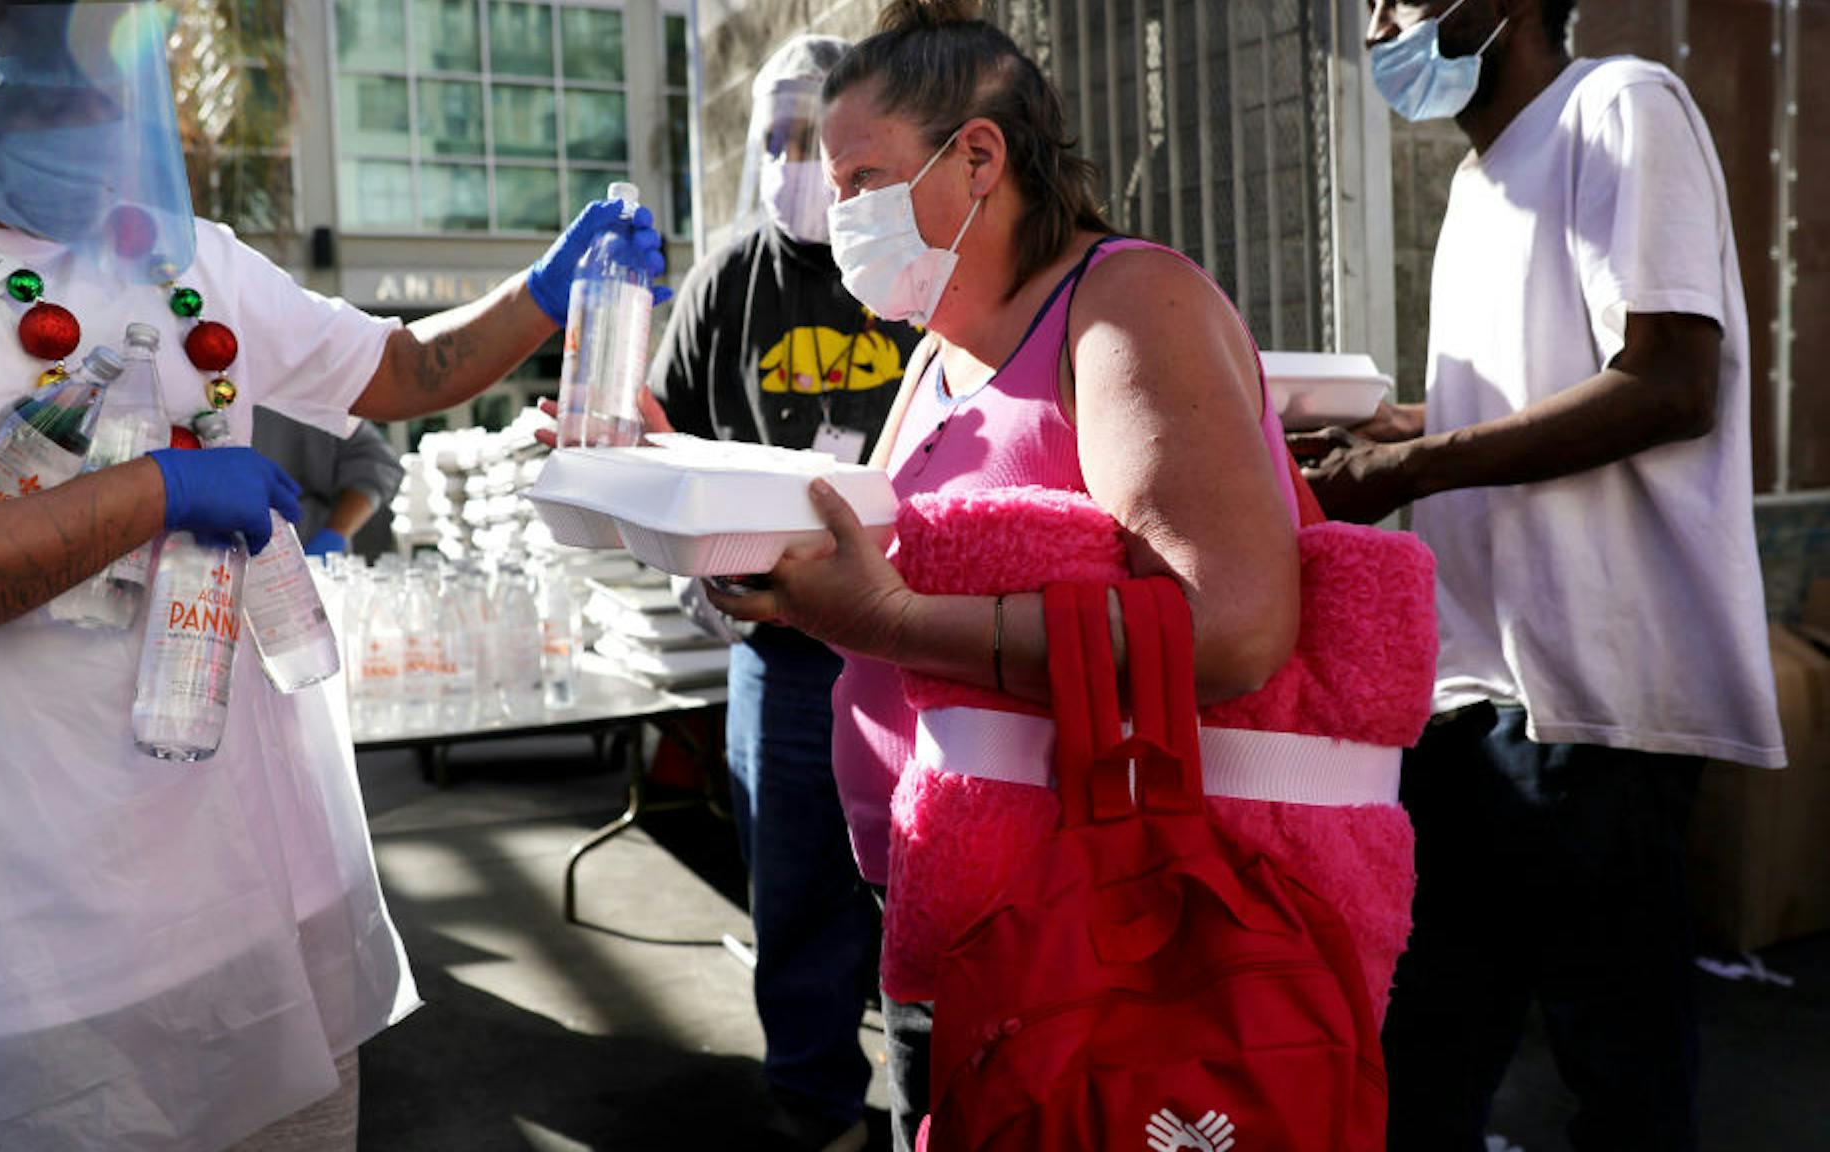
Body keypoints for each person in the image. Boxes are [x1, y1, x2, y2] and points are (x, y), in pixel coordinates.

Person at [0, 0, 665, 1147]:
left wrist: (545, 293)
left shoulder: (183, 251)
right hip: (61, 942)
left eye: (123, 80)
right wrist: (159, 491)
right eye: (73, 82)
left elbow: (396, 369)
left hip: (268, 889)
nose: (109, 117)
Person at [696, 2, 1303, 1145]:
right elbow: (887, 577)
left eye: (861, 177)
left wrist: (888, 618)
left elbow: (1225, 631)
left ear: (977, 155)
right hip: (934, 904)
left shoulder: (1125, 306)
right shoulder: (936, 351)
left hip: (1088, 918)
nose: (838, 215)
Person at [1297, 1, 1785, 1146]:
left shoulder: (1618, 108)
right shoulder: (1479, 181)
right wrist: (1386, 433)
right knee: (1425, 1058)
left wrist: (1411, 460)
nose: (1376, 22)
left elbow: (1669, 381)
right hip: (1474, 695)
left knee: (1611, 1083)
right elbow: (1533, 399)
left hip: (1593, 707)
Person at [647, 34, 922, 1152]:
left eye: (824, 145)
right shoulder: (727, 277)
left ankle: (941, 1103)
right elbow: (666, 437)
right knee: (796, 890)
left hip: (922, 642)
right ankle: (815, 1108)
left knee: (934, 888)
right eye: (779, 142)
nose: (799, 165)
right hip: (784, 654)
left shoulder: (914, 268)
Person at [250, 408, 404, 557]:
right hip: (236, 560)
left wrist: (334, 535)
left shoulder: (312, 396)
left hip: (310, 552)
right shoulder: (230, 401)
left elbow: (376, 461)